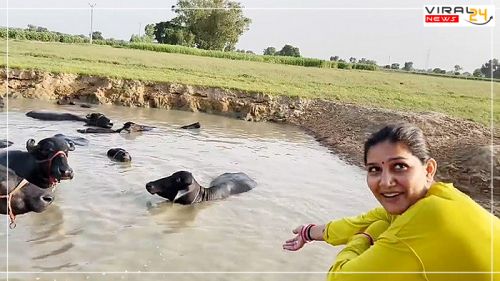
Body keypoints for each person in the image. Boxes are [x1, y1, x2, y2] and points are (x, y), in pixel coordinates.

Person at [282, 123, 500, 281]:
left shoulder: (418, 225)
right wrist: (309, 233)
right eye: (375, 170)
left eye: (399, 167)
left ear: (429, 169)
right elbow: (373, 217)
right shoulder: (444, 197)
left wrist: (364, 238)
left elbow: (339, 278)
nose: (386, 182)